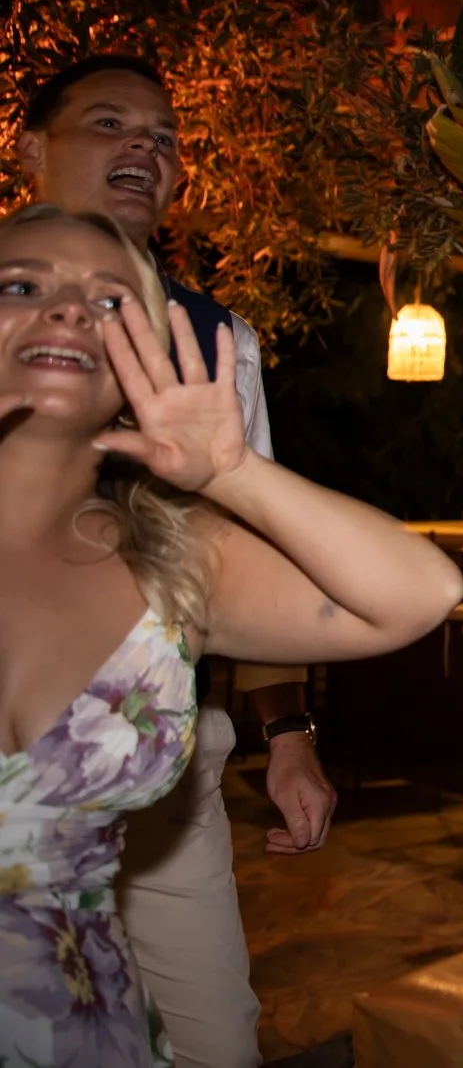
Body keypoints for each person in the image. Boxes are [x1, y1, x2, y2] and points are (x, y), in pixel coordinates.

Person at [0, 203, 461, 1067]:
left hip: (88, 1032)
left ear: (141, 361)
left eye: (109, 302)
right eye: (22, 287)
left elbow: (419, 592)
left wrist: (236, 472)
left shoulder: (164, 558)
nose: (67, 309)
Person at [12, 54, 332, 1067]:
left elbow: (250, 550)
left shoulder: (216, 341)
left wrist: (289, 737)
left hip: (164, 760)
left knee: (216, 1042)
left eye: (163, 139)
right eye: (111, 124)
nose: (145, 150)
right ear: (30, 148)